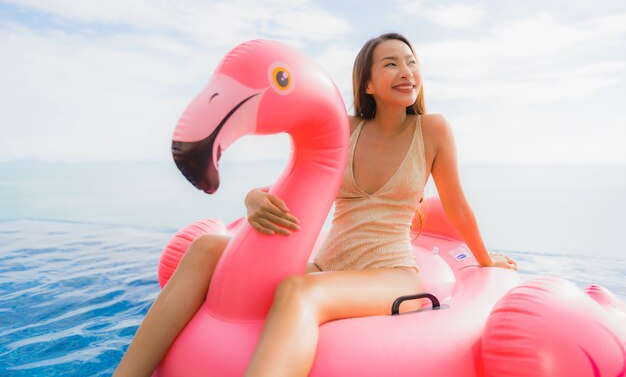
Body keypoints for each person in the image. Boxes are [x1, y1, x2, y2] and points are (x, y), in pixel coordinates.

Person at [113, 32, 517, 377]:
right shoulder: (347, 129)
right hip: (327, 264)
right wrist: (254, 198)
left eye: (411, 62)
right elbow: (293, 182)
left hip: (390, 271)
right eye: (391, 64)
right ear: (369, 84)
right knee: (208, 247)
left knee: (300, 292)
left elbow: (458, 207)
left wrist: (485, 259)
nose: (406, 71)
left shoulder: (433, 130)